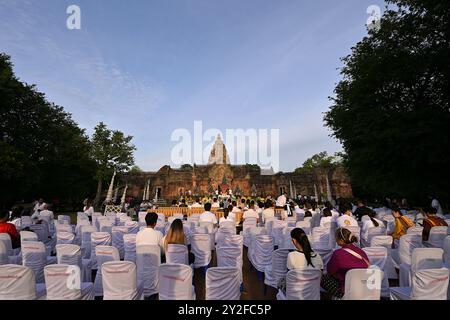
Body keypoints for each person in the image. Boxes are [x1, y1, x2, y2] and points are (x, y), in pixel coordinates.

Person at [321, 228, 370, 298]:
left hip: (347, 290)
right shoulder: (361, 252)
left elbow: (330, 271)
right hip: (363, 287)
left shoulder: (338, 254)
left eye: (336, 238)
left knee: (322, 278)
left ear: (341, 241)